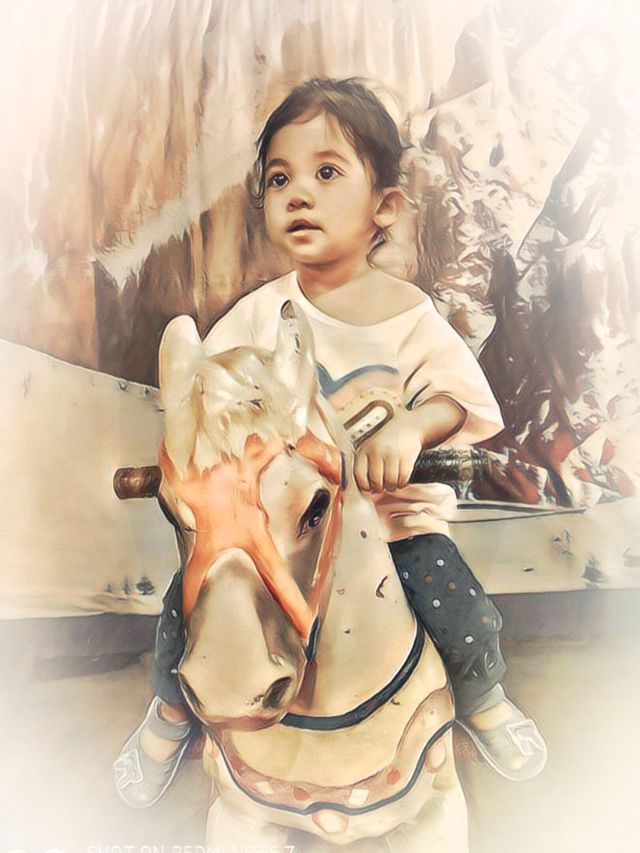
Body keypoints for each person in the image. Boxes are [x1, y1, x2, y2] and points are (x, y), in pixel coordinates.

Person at [114, 78, 547, 808]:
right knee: (187, 608)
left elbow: (455, 398)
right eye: (280, 179)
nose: (298, 196)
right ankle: (170, 710)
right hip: (274, 531)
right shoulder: (257, 316)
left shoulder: (408, 317)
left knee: (457, 604)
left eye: (325, 172)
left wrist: (411, 427)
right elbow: (206, 398)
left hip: (391, 522)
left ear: (385, 206)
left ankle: (485, 700)